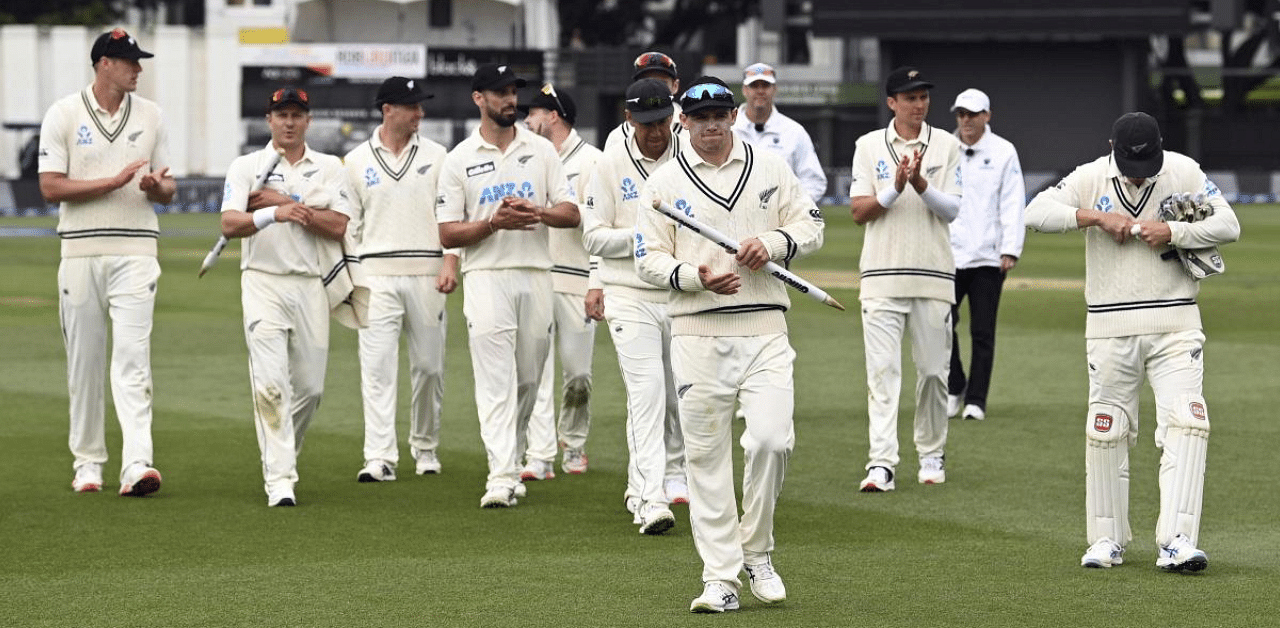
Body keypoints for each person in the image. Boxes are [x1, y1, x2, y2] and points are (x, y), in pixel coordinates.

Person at [634, 76, 825, 612]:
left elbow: (810, 223)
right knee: (706, 459)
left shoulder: (769, 167)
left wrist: (774, 243)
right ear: (683, 122)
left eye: (720, 115)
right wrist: (694, 276)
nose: (711, 126)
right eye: (700, 118)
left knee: (771, 441)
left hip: (765, 327)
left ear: (735, 116)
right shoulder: (663, 184)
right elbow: (647, 258)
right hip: (697, 330)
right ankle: (720, 576)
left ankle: (757, 551)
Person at [1025, 111, 1239, 572]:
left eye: (1147, 166)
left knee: (1188, 423)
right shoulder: (1089, 176)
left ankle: (1177, 541)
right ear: (1112, 148)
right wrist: (1095, 218)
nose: (1139, 176)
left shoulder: (1184, 170)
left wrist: (1175, 231)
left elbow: (1228, 225)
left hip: (1176, 322)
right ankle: (1106, 540)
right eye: (1130, 166)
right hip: (1109, 325)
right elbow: (1035, 212)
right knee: (1107, 428)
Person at [38, 28, 175, 496]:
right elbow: (51, 186)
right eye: (129, 61)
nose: (138, 68)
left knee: (133, 361)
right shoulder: (63, 113)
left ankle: (137, 464)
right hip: (79, 251)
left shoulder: (153, 115)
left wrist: (155, 188)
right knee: (85, 361)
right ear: (103, 65)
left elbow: (167, 186)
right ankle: (88, 464)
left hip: (137, 250)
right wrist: (113, 182)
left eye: (138, 61)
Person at [436, 63, 579, 509]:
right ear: (479, 98)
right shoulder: (459, 158)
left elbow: (571, 212)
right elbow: (447, 233)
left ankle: (510, 459)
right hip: (487, 278)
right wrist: (493, 222)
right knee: (496, 379)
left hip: (537, 273)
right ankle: (500, 475)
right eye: (500, 93)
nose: (509, 100)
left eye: (513, 92)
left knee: (529, 380)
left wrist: (535, 213)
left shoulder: (541, 151)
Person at [219, 87, 355, 507]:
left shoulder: (330, 167)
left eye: (297, 115)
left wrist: (287, 202)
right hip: (262, 281)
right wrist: (271, 214)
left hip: (311, 283)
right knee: (271, 384)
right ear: (269, 119)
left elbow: (337, 225)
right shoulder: (247, 166)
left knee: (311, 389)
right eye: (282, 114)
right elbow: (229, 223)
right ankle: (280, 479)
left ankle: (279, 455)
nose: (289, 122)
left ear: (308, 121)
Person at [581, 77, 690, 534]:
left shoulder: (688, 155)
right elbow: (592, 236)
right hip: (628, 295)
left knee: (681, 397)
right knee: (646, 395)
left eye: (663, 121)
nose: (656, 132)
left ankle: (658, 481)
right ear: (629, 118)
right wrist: (645, 240)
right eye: (646, 123)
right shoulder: (608, 163)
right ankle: (650, 501)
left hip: (681, 294)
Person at [849, 66, 963, 492]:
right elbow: (859, 212)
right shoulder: (868, 146)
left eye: (923, 97)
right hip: (880, 277)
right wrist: (894, 188)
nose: (919, 104)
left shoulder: (947, 145)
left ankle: (931, 452)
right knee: (882, 374)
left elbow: (952, 209)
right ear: (892, 102)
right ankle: (881, 463)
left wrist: (918, 182)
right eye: (910, 97)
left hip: (933, 276)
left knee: (934, 372)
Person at [342, 77, 457, 482]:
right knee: (376, 369)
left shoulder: (439, 156)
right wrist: (352, 279)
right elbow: (349, 227)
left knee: (428, 368)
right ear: (387, 109)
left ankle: (425, 447)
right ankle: (379, 456)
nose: (419, 113)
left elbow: (451, 215)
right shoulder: (356, 160)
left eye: (421, 106)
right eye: (411, 106)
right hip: (375, 276)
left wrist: (450, 262)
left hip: (427, 274)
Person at [517, 83, 603, 479]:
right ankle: (538, 453)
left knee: (578, 376)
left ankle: (574, 442)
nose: (525, 120)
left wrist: (597, 282)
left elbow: (596, 223)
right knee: (533, 372)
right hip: (534, 278)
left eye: (531, 113)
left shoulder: (593, 162)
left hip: (577, 280)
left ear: (552, 116)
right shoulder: (525, 158)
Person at [945, 88, 1025, 421]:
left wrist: (1010, 249)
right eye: (961, 114)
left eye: (972, 114)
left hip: (989, 257)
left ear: (986, 116)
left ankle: (976, 399)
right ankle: (954, 386)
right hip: (948, 253)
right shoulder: (944, 148)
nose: (966, 120)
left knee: (982, 331)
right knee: (942, 324)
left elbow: (1012, 201)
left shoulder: (1004, 151)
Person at [732, 62, 828, 203]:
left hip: (782, 219)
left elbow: (814, 181)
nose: (760, 91)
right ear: (744, 90)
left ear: (774, 89)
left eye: (765, 85)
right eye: (754, 86)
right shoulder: (727, 129)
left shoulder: (794, 132)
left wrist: (791, 207)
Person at [604, 51, 684, 149]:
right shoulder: (618, 136)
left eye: (662, 83)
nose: (654, 89)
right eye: (647, 82)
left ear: (675, 86)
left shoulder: (693, 127)